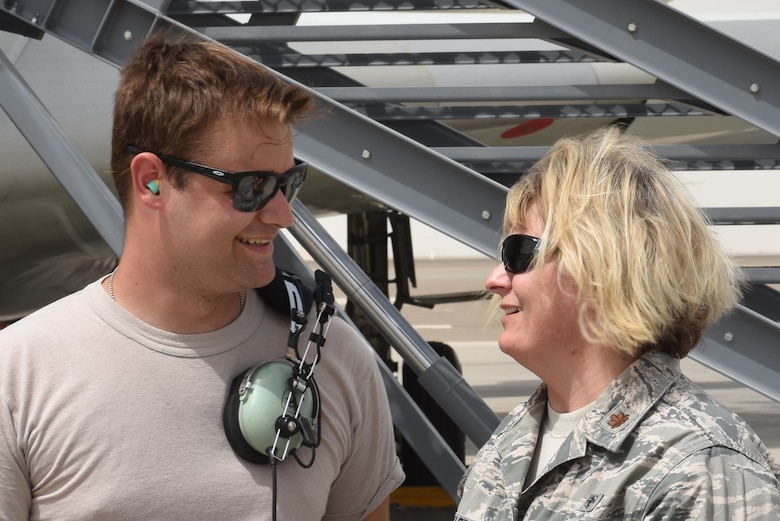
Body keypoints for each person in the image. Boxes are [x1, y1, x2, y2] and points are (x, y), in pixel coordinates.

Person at [0, 32, 403, 520]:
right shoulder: (19, 377)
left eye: (288, 183)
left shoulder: (335, 358)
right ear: (151, 180)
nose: (282, 214)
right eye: (253, 186)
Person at [455, 126, 780, 520]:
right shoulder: (513, 444)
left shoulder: (698, 468)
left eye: (518, 253)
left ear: (602, 264)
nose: (494, 279)